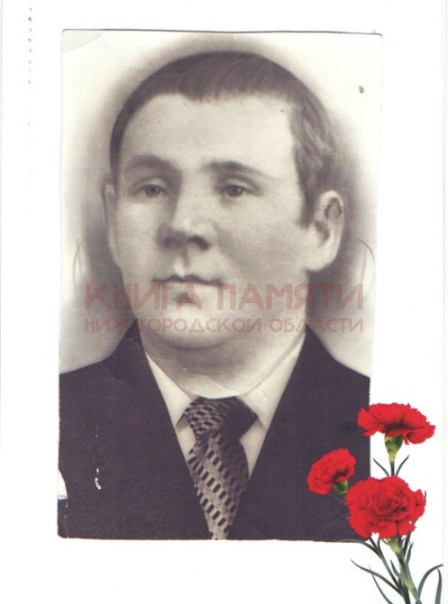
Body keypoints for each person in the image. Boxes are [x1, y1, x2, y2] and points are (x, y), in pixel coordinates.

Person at [59, 50, 370, 541]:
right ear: (113, 219)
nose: (182, 224)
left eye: (234, 189)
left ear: (321, 228)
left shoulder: (387, 434)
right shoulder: (40, 421)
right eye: (153, 188)